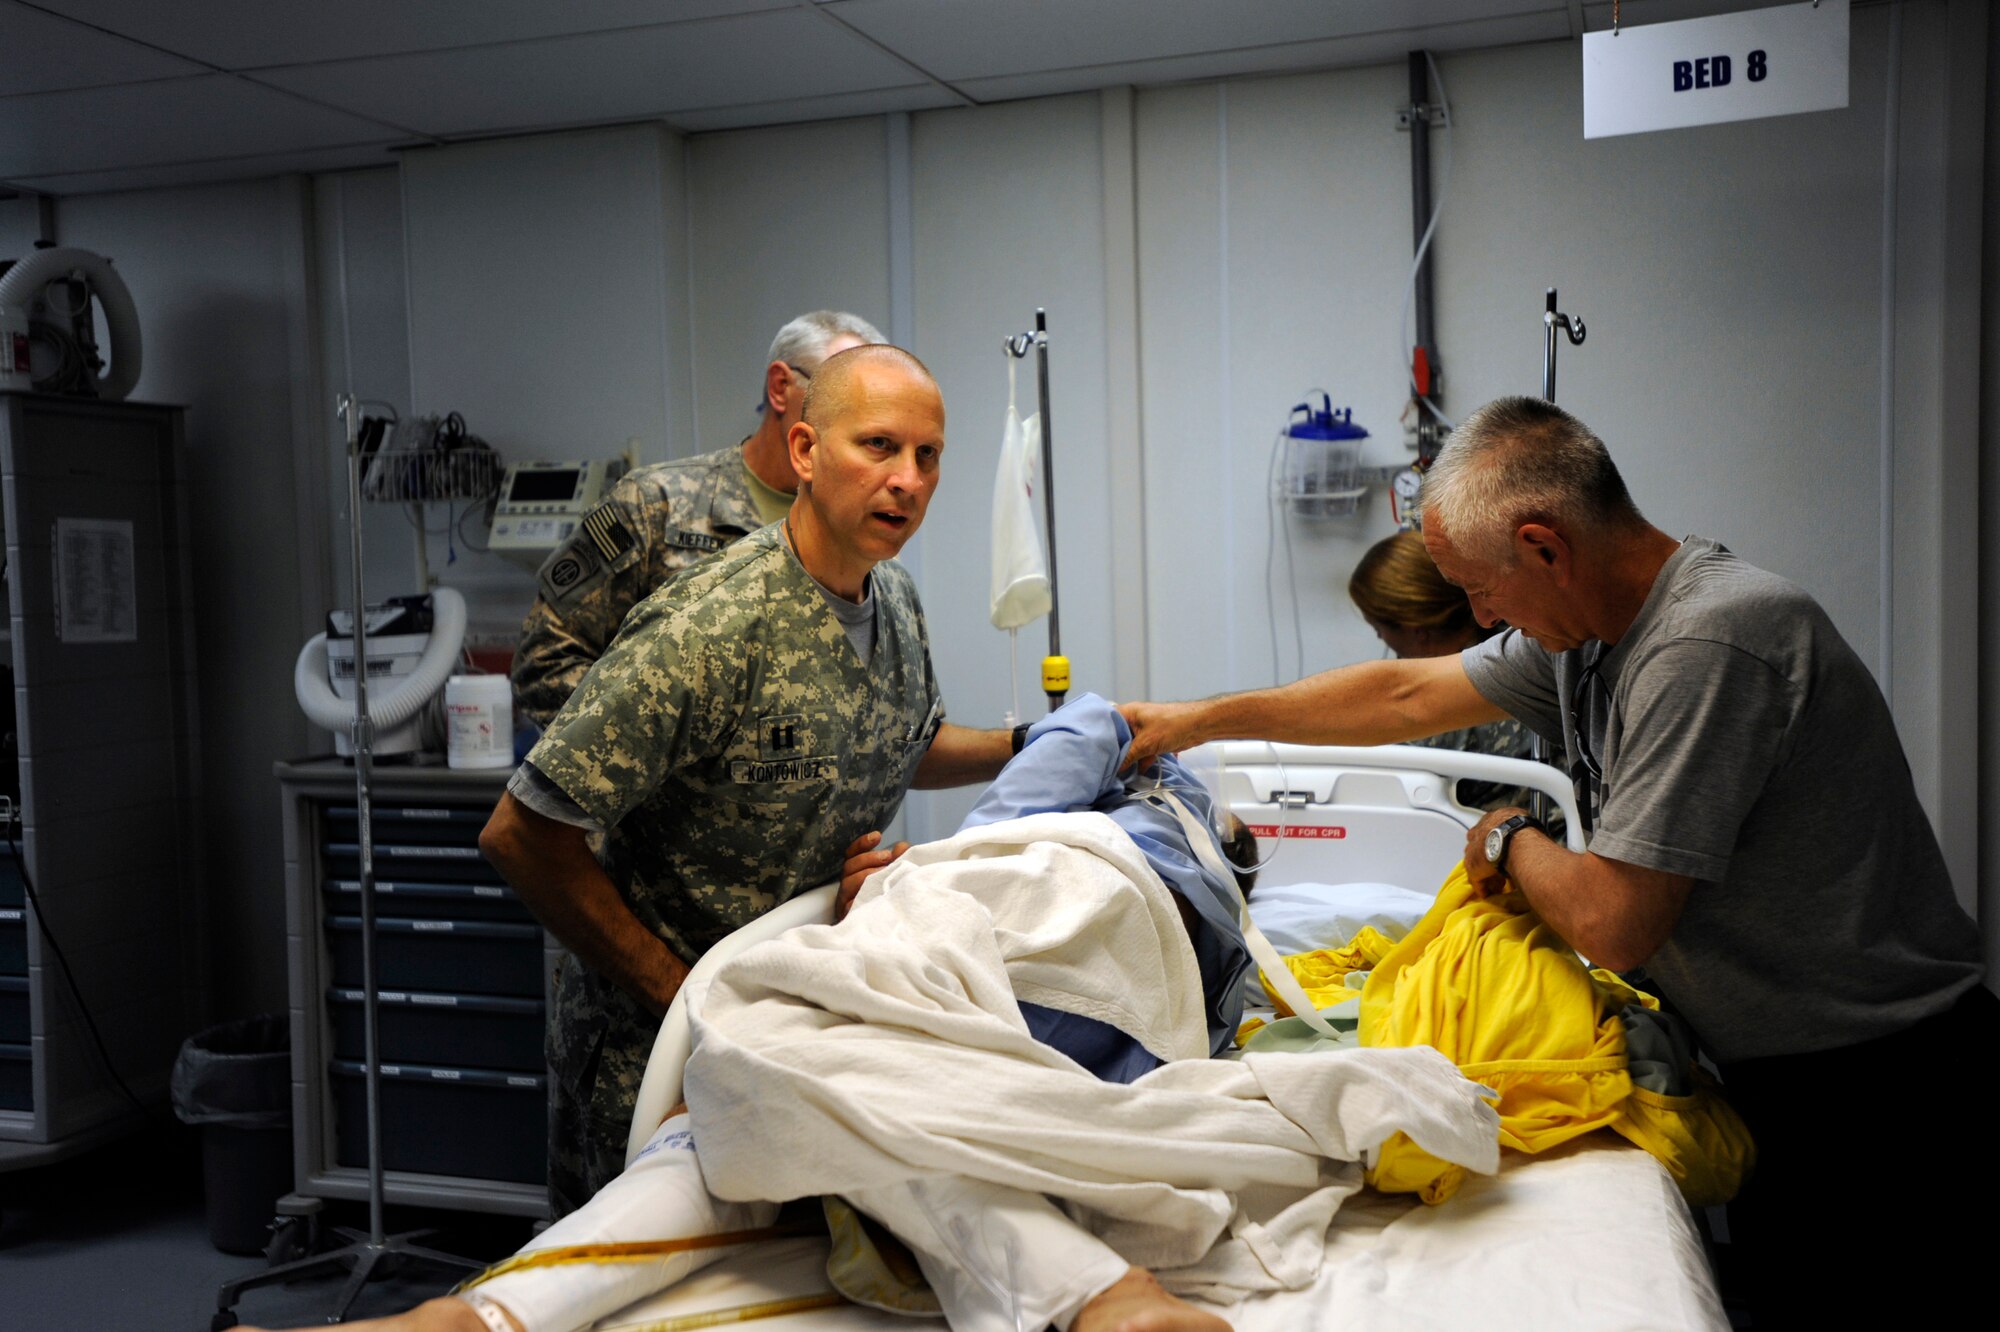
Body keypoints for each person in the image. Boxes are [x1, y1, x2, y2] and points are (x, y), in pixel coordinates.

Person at [1122, 394, 1991, 1326]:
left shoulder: (1709, 642)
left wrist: (1508, 837)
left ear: (1544, 547)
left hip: (1885, 1088)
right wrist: (1194, 721)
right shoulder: (1591, 642)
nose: (1478, 614)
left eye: (1479, 591)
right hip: (1792, 1064)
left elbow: (1613, 922)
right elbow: (1406, 693)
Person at [247, 700, 1484, 1332]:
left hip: (1059, 954)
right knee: (842, 1076)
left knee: (778, 1082)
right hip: (1013, 939)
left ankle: (485, 1312)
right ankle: (1094, 1294)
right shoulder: (1112, 835)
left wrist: (1118, 738)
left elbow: (1094, 727)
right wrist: (891, 887)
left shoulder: (1134, 846)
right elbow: (1097, 727)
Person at [481, 345, 1014, 1215]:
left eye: (929, 456)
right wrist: (685, 998)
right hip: (655, 1058)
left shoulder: (898, 604)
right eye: (878, 446)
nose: (908, 480)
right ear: (804, 451)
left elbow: (898, 743)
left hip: (791, 1033)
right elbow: (521, 834)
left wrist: (1041, 742)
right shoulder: (711, 624)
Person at [511, 310, 885, 727]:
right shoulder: (657, 506)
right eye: (844, 401)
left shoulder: (867, 527)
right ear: (781, 387)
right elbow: (543, 660)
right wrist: (657, 747)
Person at [1347, 528, 1538, 812]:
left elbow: (1372, 791)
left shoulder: (1436, 710)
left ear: (1417, 630)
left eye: (1379, 628)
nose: (1380, 639)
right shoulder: (1520, 645)